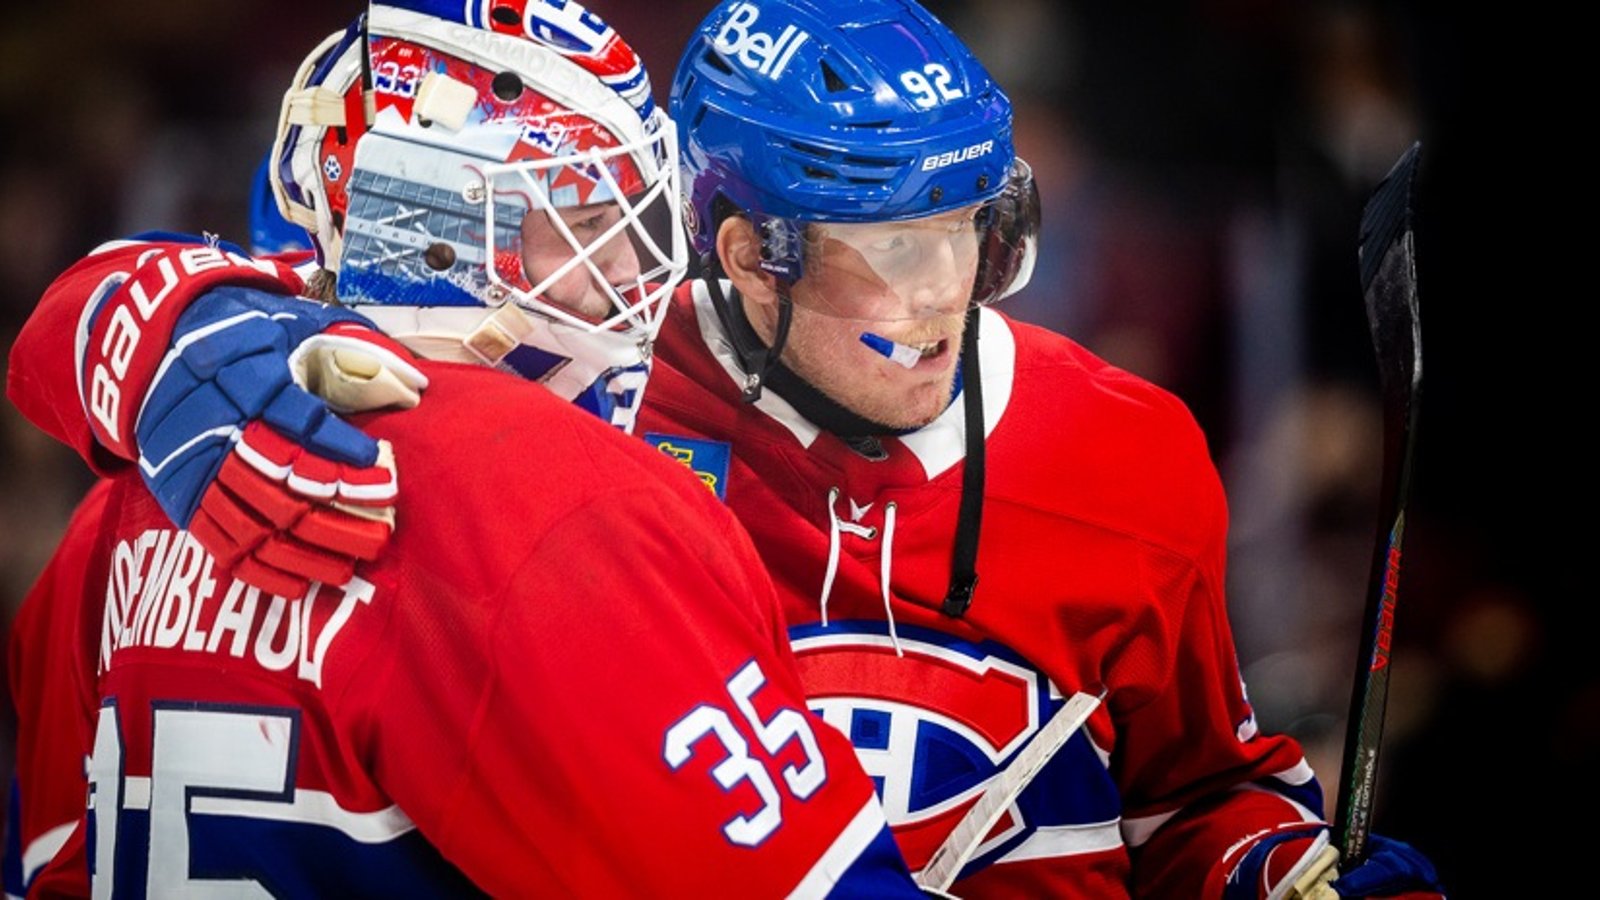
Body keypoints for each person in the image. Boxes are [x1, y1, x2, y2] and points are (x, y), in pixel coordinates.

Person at [10, 0, 1448, 897]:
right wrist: (148, 318)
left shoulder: (1126, 449)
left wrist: (1279, 869)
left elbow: (1199, 788)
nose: (943, 293)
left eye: (971, 232)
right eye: (886, 250)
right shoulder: (584, 431)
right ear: (744, 249)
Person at [2, 1, 922, 896]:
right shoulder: (556, 496)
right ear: (433, 222)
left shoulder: (117, 512)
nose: (635, 274)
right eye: (585, 219)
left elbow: (48, 864)